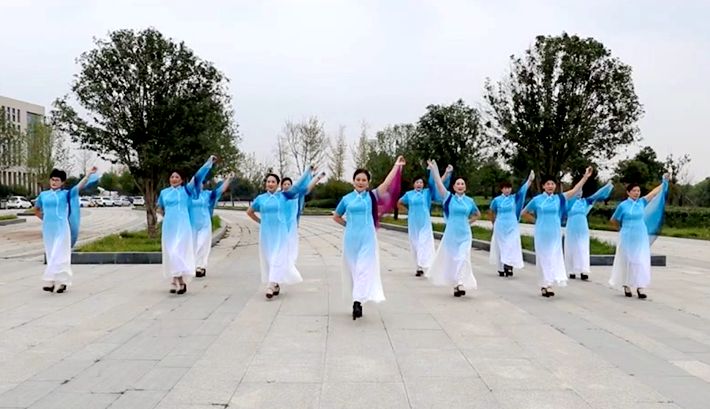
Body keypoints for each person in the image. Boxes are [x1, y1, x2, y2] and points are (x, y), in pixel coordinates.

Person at [333, 156, 405, 320]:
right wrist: (348, 225)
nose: (360, 182)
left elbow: (386, 184)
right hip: (351, 239)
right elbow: (336, 216)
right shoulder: (346, 199)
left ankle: (357, 302)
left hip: (368, 238)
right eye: (358, 179)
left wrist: (396, 166)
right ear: (353, 181)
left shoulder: (372, 196)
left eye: (364, 180)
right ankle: (357, 298)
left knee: (363, 269)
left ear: (368, 182)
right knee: (353, 270)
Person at [521, 167, 593, 297]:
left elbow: (574, 190)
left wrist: (585, 177)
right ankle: (545, 285)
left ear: (555, 186)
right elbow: (524, 212)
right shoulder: (537, 200)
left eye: (552, 184)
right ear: (543, 186)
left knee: (553, 257)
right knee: (543, 258)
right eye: (548, 184)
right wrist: (536, 221)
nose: (550, 186)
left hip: (554, 234)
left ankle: (550, 284)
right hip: (542, 233)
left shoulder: (559, 198)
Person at [246, 169, 314, 299]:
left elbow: (299, 188)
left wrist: (308, 173)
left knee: (277, 257)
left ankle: (270, 285)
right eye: (268, 182)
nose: (270, 184)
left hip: (281, 233)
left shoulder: (283, 196)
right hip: (266, 234)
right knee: (269, 258)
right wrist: (260, 222)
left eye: (273, 182)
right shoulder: (260, 198)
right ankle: (276, 283)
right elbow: (249, 212)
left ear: (278, 184)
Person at [157, 156, 216, 295]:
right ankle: (177, 280)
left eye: (177, 177)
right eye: (172, 177)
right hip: (169, 226)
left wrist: (208, 163)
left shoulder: (186, 191)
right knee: (170, 252)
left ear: (182, 180)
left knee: (178, 252)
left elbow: (198, 177)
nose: (174, 179)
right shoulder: (164, 193)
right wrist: (159, 217)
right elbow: (159, 207)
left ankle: (177, 280)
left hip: (183, 225)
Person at [34, 167, 99, 293]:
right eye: (52, 179)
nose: (54, 182)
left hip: (62, 228)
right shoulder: (43, 195)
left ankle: (61, 281)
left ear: (62, 182)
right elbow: (36, 210)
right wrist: (45, 219)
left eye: (57, 180)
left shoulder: (66, 194)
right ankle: (52, 282)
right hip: (48, 229)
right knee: (51, 253)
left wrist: (88, 175)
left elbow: (79, 186)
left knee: (60, 254)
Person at [425, 160, 481, 297]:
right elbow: (439, 184)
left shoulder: (470, 201)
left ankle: (460, 282)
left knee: (463, 257)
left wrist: (469, 222)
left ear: (465, 187)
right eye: (458, 184)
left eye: (462, 184)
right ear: (454, 187)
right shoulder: (448, 197)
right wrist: (434, 170)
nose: (460, 186)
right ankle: (456, 284)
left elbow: (477, 214)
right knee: (453, 259)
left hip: (465, 234)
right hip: (451, 235)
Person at [609, 174, 669, 299]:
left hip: (640, 235)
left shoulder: (642, 202)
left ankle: (640, 287)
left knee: (640, 260)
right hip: (627, 236)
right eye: (634, 191)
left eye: (638, 191)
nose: (637, 193)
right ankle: (626, 285)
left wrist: (664, 182)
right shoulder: (623, 205)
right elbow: (613, 220)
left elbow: (653, 193)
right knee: (627, 260)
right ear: (628, 192)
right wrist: (621, 229)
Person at [398, 165, 452, 276]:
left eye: (421, 182)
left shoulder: (427, 193)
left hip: (425, 223)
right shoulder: (409, 194)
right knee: (415, 244)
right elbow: (399, 202)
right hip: (413, 223)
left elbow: (438, 183)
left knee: (424, 243)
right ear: (414, 184)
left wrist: (446, 173)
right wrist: (407, 211)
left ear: (423, 184)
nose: (419, 184)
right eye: (417, 182)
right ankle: (419, 267)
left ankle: (426, 264)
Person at [564, 181, 614, 281]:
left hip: (582, 227)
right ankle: (571, 270)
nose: (579, 193)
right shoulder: (568, 202)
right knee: (571, 248)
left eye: (580, 191)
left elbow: (597, 195)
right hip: (571, 227)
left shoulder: (585, 201)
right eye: (577, 190)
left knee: (583, 248)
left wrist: (607, 186)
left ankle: (583, 271)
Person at [489, 171, 534, 278]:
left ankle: (509, 265)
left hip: (512, 225)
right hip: (500, 225)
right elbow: (491, 211)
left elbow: (522, 191)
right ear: (501, 189)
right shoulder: (496, 200)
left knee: (511, 245)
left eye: (509, 188)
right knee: (501, 246)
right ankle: (501, 267)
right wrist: (494, 223)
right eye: (505, 188)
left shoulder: (514, 198)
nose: (507, 190)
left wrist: (529, 180)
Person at [190, 172, 234, 278]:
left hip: (204, 223)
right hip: (192, 225)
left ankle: (200, 266)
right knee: (193, 245)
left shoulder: (208, 195)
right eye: (197, 183)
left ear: (203, 185)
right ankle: (195, 266)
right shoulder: (189, 195)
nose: (199, 185)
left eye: (200, 183)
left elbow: (220, 190)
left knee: (202, 244)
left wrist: (228, 179)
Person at [282, 170, 325, 268]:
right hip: (281, 227)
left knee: (290, 249)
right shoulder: (280, 196)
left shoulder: (296, 195)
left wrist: (318, 178)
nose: (287, 186)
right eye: (284, 184)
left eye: (289, 184)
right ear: (281, 186)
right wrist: (308, 170)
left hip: (293, 226)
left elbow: (307, 189)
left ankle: (288, 266)